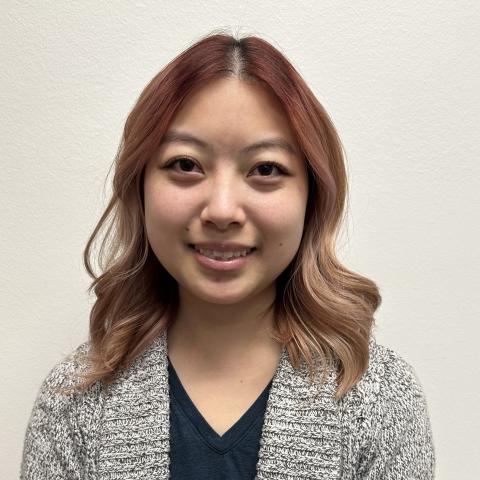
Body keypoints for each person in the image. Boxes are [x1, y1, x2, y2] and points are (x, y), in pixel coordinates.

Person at [20, 31, 436, 479]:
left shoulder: (379, 400)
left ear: (312, 198)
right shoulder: (73, 403)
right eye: (185, 164)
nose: (221, 210)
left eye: (266, 169)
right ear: (139, 189)